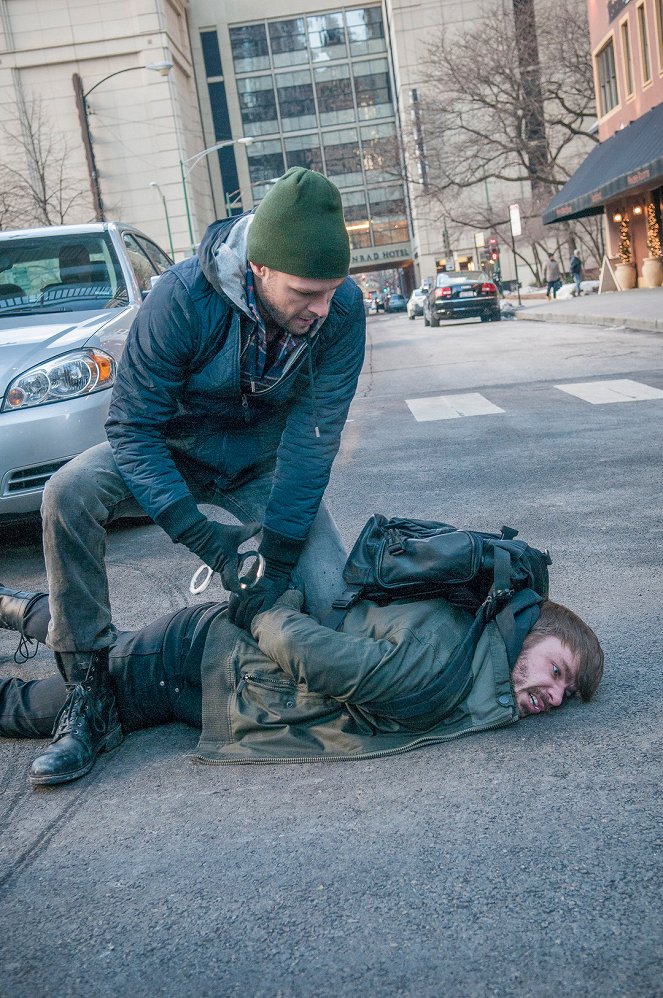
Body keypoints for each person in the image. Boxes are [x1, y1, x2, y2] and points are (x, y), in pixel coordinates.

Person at [33, 167, 366, 786]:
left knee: (333, 607)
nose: (321, 310)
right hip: (171, 451)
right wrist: (209, 541)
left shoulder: (341, 309)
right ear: (260, 269)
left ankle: (242, 651)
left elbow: (314, 435)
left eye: (331, 291)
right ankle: (88, 690)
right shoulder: (183, 298)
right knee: (68, 492)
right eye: (305, 294)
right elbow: (131, 428)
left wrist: (282, 546)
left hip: (258, 467)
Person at [0, 568, 604, 783]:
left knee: (106, 649)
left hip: (217, 670)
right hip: (200, 664)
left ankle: (13, 605)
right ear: (527, 634)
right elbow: (314, 656)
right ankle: (17, 608)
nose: (554, 695)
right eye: (555, 670)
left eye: (564, 691)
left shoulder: (478, 666)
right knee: (36, 708)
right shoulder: (446, 658)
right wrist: (263, 611)